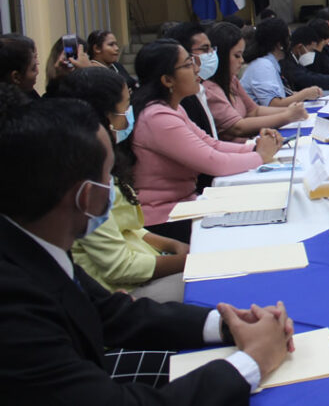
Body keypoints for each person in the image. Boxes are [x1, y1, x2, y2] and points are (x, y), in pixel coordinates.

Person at [0, 94, 294, 402]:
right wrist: (252, 362)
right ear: (85, 197)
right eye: (108, 177)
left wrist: (228, 325)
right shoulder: (13, 307)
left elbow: (112, 313)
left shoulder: (33, 242)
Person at [48, 68, 189, 302]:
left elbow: (125, 225)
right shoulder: (83, 179)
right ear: (103, 116)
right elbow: (119, 267)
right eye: (124, 108)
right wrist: (187, 260)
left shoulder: (102, 162)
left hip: (144, 264)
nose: (128, 115)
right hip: (123, 290)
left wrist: (172, 245)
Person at [131, 42, 281, 227]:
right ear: (167, 80)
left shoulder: (172, 108)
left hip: (185, 206)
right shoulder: (157, 117)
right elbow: (213, 162)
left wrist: (256, 146)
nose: (196, 69)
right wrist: (260, 156)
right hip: (164, 217)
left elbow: (211, 144)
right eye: (187, 65)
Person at [204, 22, 308, 142]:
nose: (242, 60)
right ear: (221, 56)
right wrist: (287, 116)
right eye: (237, 56)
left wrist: (291, 111)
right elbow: (238, 127)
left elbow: (254, 110)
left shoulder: (231, 79)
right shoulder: (209, 89)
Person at [241, 18, 323, 107]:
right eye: (288, 38)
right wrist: (304, 94)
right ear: (280, 44)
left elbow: (282, 95)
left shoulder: (270, 63)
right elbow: (274, 104)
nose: (290, 42)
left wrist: (307, 93)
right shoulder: (263, 66)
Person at [165, 23, 220, 141]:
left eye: (212, 48)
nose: (211, 54)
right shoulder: (176, 104)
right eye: (205, 49)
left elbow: (212, 143)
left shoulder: (198, 90)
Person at [281, 25, 329, 92]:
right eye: (311, 50)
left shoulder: (294, 59)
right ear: (300, 47)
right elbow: (309, 78)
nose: (313, 54)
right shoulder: (286, 61)